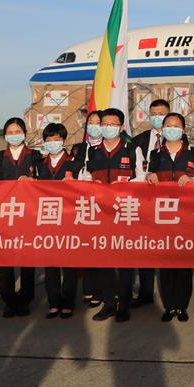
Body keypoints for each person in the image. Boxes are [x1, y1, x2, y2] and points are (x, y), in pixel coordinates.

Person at [79, 108, 144, 322]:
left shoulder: (132, 150)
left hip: (125, 214)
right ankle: (109, 304)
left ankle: (123, 305)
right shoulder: (93, 151)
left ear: (121, 127)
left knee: (125, 264)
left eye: (112, 124)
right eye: (103, 124)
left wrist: (123, 185)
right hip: (100, 215)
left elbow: (141, 179)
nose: (106, 127)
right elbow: (84, 178)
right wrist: (92, 185)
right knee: (104, 262)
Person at [145, 112, 194, 323]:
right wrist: (148, 176)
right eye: (168, 125)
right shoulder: (154, 155)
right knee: (166, 262)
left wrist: (193, 179)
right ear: (161, 130)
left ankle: (182, 305)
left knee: (183, 262)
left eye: (176, 125)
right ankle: (169, 306)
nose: (172, 128)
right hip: (162, 216)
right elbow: (144, 180)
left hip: (186, 215)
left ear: (184, 130)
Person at [0, 117, 40, 317]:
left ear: (24, 133)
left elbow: (45, 181)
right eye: (10, 132)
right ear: (5, 135)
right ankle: (9, 299)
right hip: (4, 214)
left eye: (17, 131)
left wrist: (33, 180)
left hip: (28, 213)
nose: (14, 135)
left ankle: (26, 300)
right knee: (5, 259)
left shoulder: (36, 156)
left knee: (27, 259)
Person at [128, 98, 171, 310]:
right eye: (154, 114)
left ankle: (169, 296)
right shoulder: (139, 140)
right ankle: (145, 293)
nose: (158, 118)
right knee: (144, 247)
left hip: (168, 203)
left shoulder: (181, 139)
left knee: (165, 249)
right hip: (143, 199)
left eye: (162, 114)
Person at [35, 123, 77, 319]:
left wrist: (75, 183)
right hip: (47, 219)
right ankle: (54, 303)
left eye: (56, 139)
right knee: (50, 263)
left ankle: (68, 302)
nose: (52, 143)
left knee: (68, 263)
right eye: (49, 140)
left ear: (63, 140)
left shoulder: (74, 163)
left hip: (69, 219)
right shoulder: (39, 164)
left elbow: (85, 188)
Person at [69, 110, 104, 307]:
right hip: (82, 206)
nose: (93, 125)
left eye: (97, 122)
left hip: (102, 206)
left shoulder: (108, 148)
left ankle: (101, 290)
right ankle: (89, 289)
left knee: (101, 249)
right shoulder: (80, 148)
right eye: (90, 122)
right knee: (87, 249)